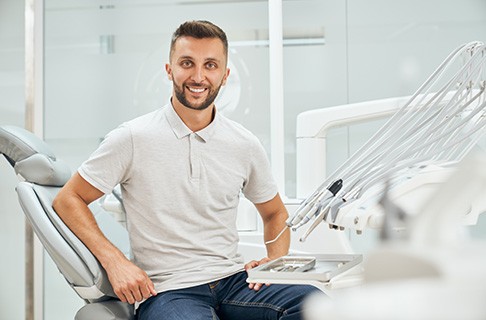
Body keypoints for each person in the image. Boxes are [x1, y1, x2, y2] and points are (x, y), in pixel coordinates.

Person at [53, 20, 320, 320]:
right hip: (168, 291)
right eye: (186, 63)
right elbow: (68, 199)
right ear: (169, 70)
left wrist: (274, 263)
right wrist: (115, 261)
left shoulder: (244, 143)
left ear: (224, 74)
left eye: (210, 65)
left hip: (234, 282)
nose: (198, 76)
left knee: (316, 306)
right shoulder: (132, 137)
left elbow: (275, 213)